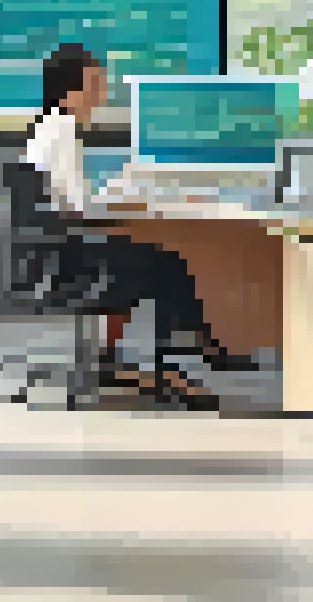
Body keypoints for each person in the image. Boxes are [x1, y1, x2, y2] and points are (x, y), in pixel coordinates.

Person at [24, 43, 247, 405]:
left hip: (55, 250)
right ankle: (179, 362)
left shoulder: (48, 128)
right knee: (164, 263)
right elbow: (82, 206)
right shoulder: (62, 130)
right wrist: (122, 191)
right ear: (69, 91)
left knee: (140, 258)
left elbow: (70, 200)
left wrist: (114, 191)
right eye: (94, 85)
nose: (101, 94)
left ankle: (177, 352)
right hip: (69, 253)